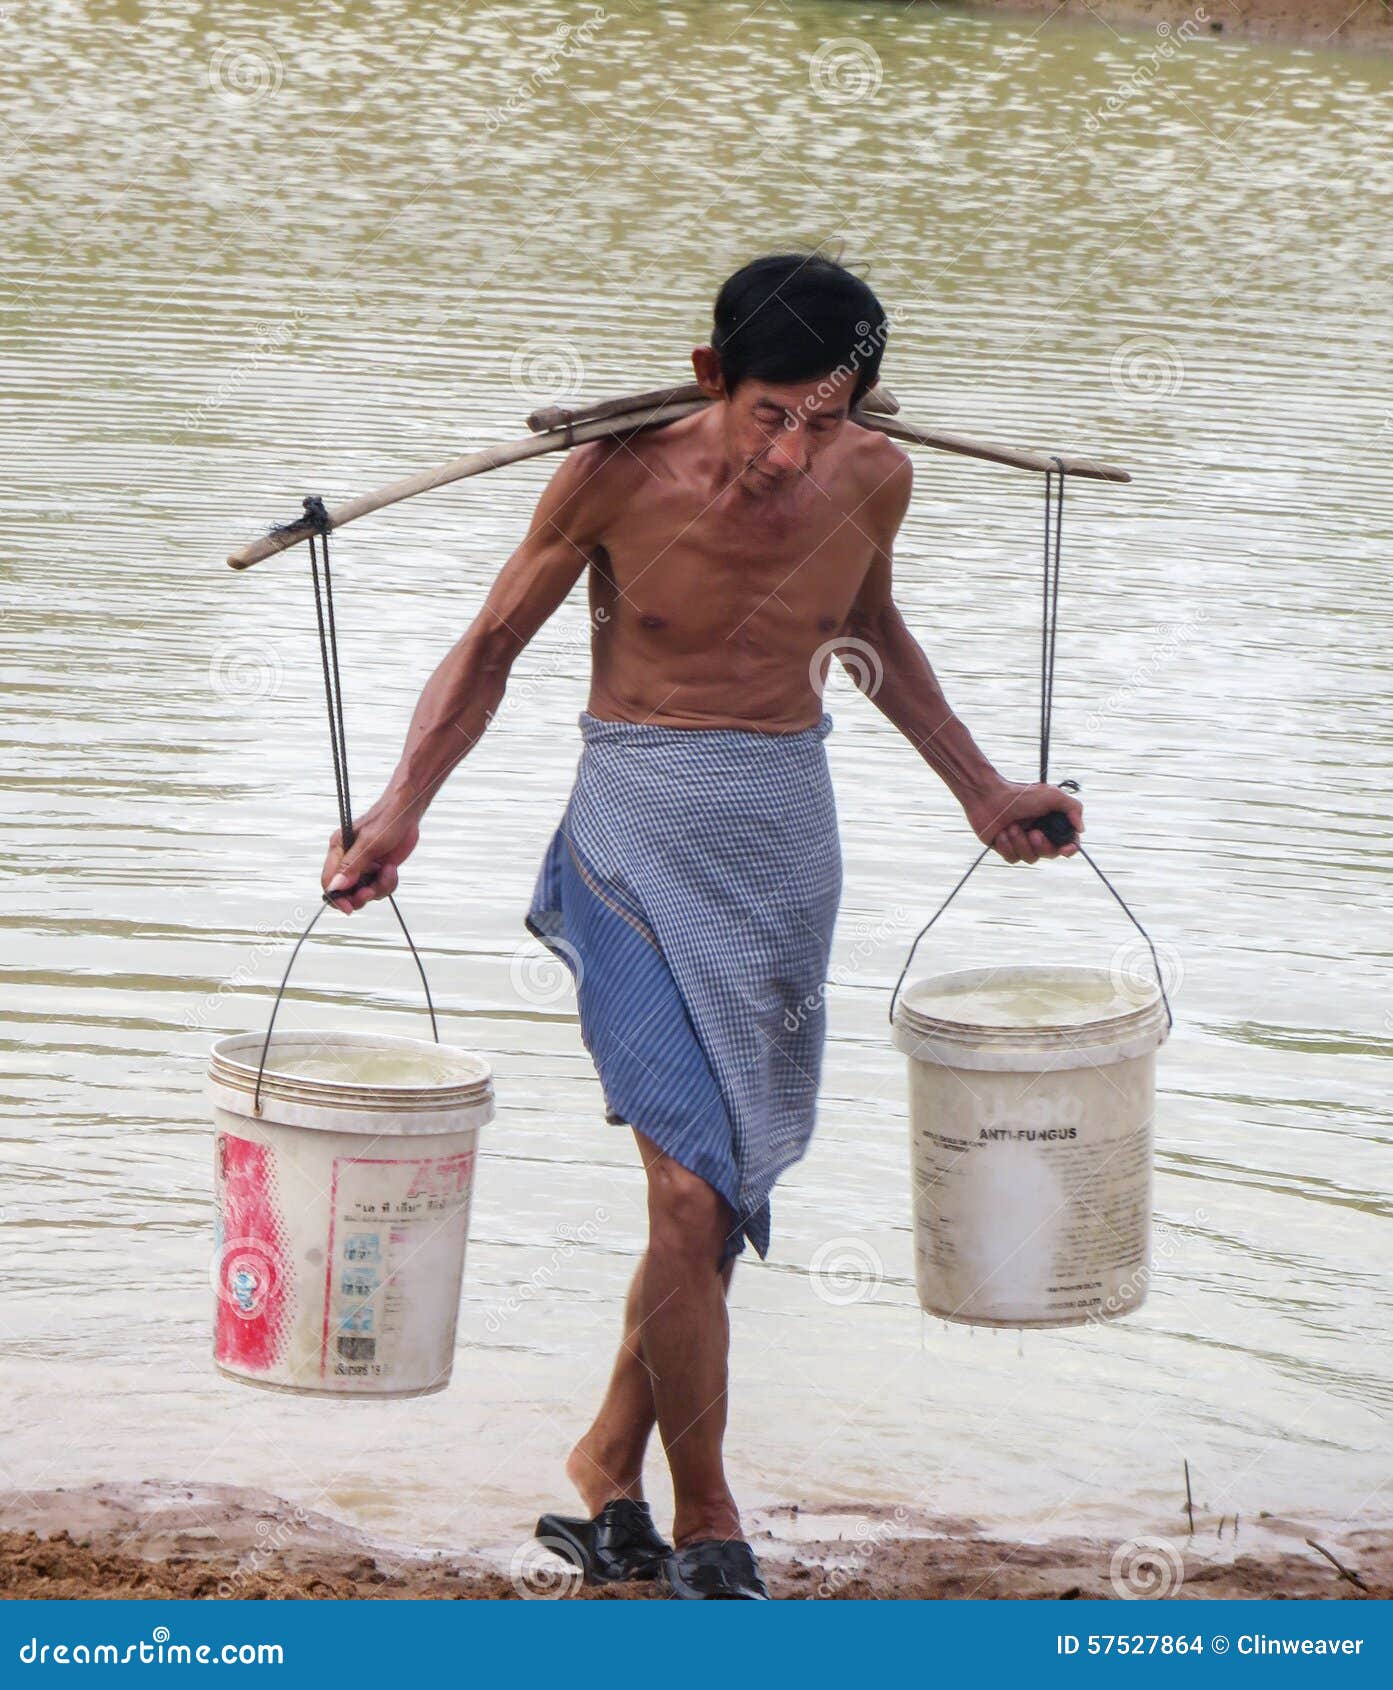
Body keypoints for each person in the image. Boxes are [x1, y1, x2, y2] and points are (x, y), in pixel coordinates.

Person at [321, 252, 1083, 1600]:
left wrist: (980, 790)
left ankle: (604, 1468)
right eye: (768, 414)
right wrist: (397, 811)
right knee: (684, 1185)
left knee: (711, 1207)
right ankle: (709, 1516)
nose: (792, 453)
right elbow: (490, 645)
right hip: (633, 832)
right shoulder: (615, 476)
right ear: (707, 378)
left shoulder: (874, 480)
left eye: (826, 419)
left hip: (783, 842)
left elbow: (869, 634)